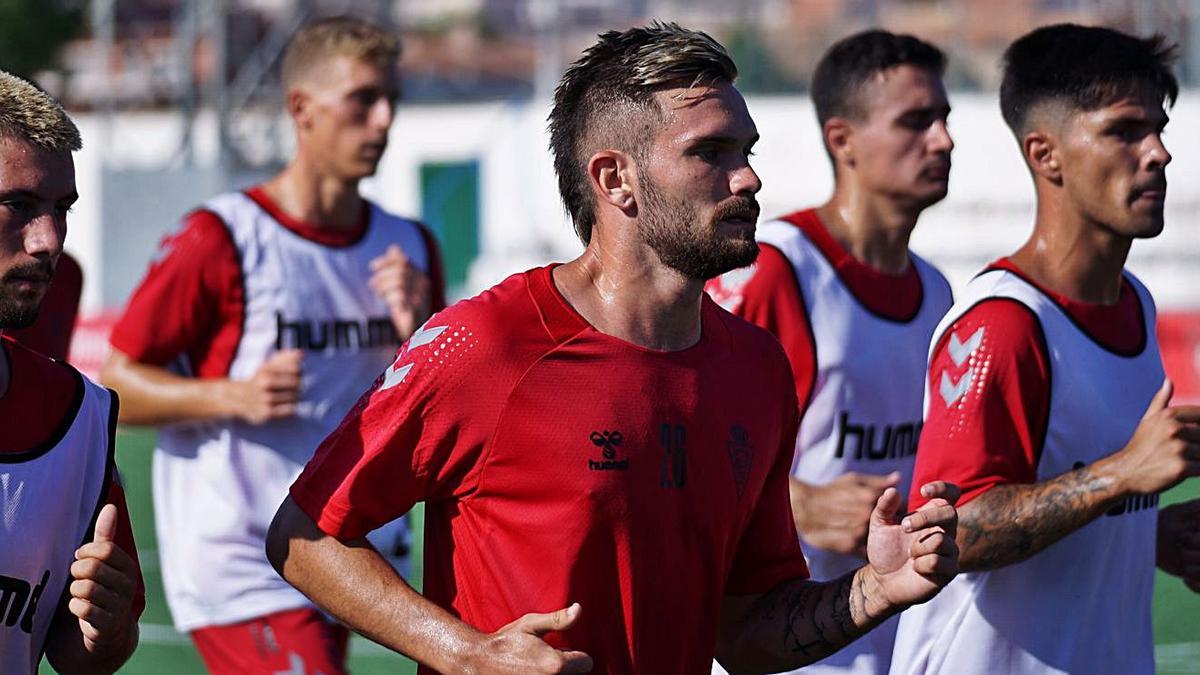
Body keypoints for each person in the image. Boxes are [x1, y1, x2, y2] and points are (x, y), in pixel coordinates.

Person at [266, 22, 960, 674]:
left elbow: (745, 630)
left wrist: (878, 586)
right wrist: (463, 650)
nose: (747, 178)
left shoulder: (756, 368)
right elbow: (305, 535)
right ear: (614, 179)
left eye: (745, 152)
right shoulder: (488, 343)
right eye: (710, 153)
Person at [100, 16, 445, 674]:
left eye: (392, 101)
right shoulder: (221, 237)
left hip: (351, 546)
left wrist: (421, 327)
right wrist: (230, 394)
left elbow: (449, 413)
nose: (383, 122)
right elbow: (113, 380)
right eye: (363, 101)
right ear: (301, 109)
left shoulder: (410, 245)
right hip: (244, 556)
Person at [890, 24, 1200, 674]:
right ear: (1045, 154)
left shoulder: (1134, 302)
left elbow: (1076, 499)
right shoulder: (1003, 322)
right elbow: (950, 529)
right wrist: (1122, 473)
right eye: (1124, 131)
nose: (1159, 154)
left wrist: (1148, 535)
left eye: (1159, 128)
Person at [706, 30, 953, 674]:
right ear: (842, 140)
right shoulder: (776, 270)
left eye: (944, 118)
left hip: (898, 641)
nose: (943, 140)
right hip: (781, 645)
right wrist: (800, 503)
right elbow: (681, 449)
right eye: (916, 121)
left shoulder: (936, 290)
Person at [0, 69, 144, 674]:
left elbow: (75, 650)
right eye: (20, 206)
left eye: (62, 210)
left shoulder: (79, 417)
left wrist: (104, 628)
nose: (49, 239)